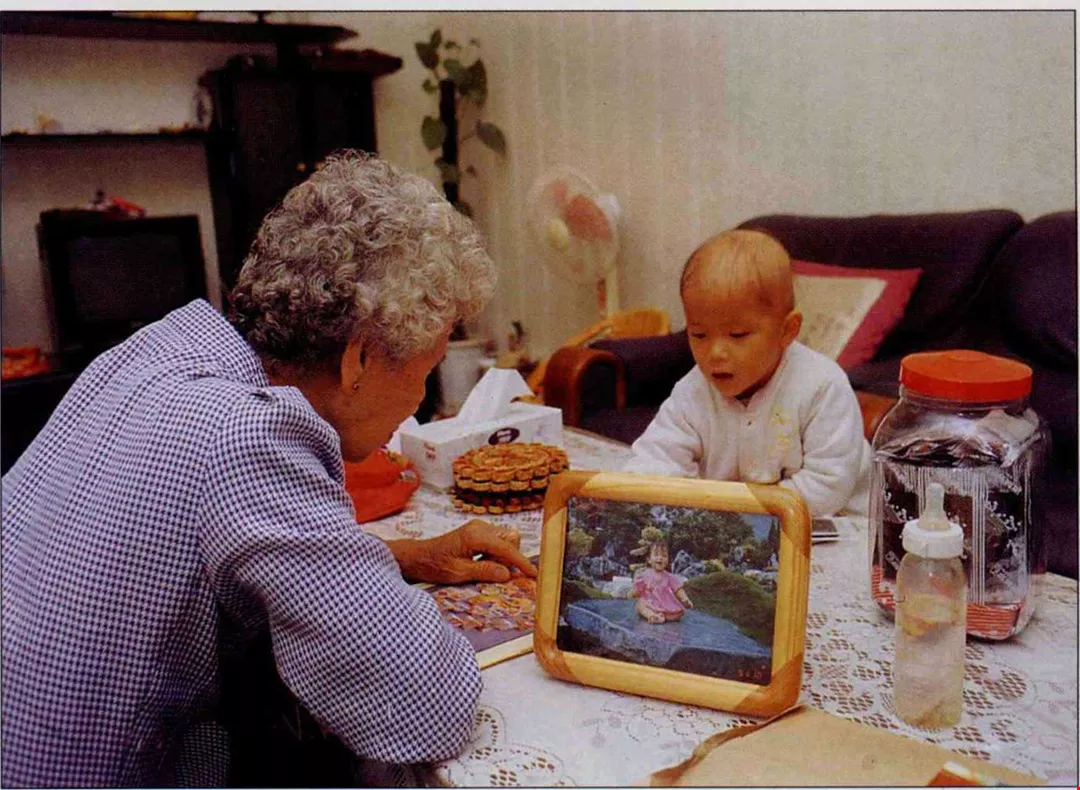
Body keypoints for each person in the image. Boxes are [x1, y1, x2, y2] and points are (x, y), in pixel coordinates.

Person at [1, 151, 536, 787]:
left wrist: (400, 557)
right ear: (359, 359)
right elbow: (424, 706)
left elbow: (217, 550)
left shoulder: (161, 346)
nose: (419, 402)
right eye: (426, 371)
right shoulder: (249, 435)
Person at [624, 229, 871, 518]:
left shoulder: (822, 386)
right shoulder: (693, 391)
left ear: (787, 330)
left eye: (737, 335)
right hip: (741, 523)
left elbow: (827, 486)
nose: (715, 352)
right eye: (699, 335)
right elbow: (655, 460)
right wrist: (633, 493)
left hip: (837, 523)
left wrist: (739, 508)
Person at [632, 540, 694, 623]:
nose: (660, 558)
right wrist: (636, 592)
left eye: (664, 555)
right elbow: (638, 591)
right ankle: (652, 616)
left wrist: (685, 599)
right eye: (656, 555)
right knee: (640, 604)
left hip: (666, 605)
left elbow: (678, 589)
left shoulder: (670, 577)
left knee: (679, 613)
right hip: (650, 603)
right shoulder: (644, 575)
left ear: (668, 560)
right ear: (649, 559)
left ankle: (662, 616)